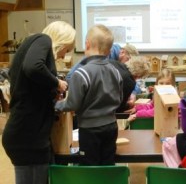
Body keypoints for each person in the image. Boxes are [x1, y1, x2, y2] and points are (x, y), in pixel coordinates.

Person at [2, 21, 75, 184]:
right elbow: (33, 67)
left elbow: (30, 90)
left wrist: (51, 94)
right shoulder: (43, 39)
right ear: (61, 40)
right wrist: (57, 83)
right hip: (27, 138)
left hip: (29, 135)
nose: (64, 55)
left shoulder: (32, 46)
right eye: (67, 49)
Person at [55, 24, 123, 166]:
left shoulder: (81, 73)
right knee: (107, 165)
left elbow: (72, 104)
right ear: (110, 50)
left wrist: (56, 105)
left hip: (90, 130)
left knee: (90, 167)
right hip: (111, 126)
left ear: (87, 45)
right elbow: (120, 98)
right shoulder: (116, 71)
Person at [65, 43, 139, 81]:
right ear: (123, 52)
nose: (128, 64)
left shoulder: (115, 57)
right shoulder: (107, 55)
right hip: (73, 80)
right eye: (128, 60)